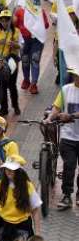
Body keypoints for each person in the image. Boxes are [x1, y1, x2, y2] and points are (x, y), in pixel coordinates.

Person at [0, 155, 42, 241]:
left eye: (12, 169)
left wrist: (37, 232)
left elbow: (35, 210)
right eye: (7, 168)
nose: (8, 171)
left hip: (22, 227)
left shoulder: (28, 186)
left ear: (20, 171)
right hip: (2, 226)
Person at [45, 68, 79, 210]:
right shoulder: (65, 89)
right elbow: (57, 107)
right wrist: (50, 118)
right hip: (68, 136)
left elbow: (69, 115)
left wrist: (71, 116)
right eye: (76, 74)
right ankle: (67, 195)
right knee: (69, 165)